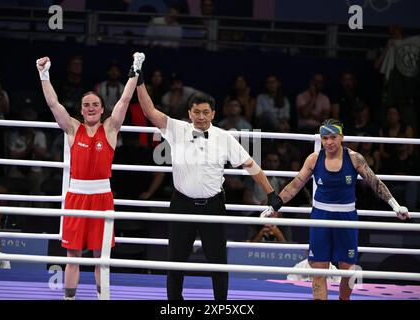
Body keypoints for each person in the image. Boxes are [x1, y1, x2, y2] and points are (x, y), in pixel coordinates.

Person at [135, 54, 283, 300]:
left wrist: (271, 193)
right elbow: (149, 111)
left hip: (214, 205)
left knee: (218, 261)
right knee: (176, 260)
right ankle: (175, 304)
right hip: (182, 204)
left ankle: (221, 305)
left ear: (213, 114)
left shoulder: (225, 137)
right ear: (189, 113)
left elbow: (250, 164)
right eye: (196, 112)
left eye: (205, 112)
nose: (201, 116)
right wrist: (139, 81)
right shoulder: (177, 128)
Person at [36, 51, 146, 300]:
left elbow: (125, 99)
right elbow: (54, 104)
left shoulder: (110, 128)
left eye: (95, 104)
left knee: (101, 256)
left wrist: (135, 69)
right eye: (86, 105)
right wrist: (44, 75)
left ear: (102, 109)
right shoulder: (73, 128)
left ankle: (102, 298)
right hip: (76, 196)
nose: (91, 108)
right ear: (82, 110)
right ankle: (69, 298)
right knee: (72, 254)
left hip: (102, 197)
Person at [272, 118, 410, 300]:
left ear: (341, 137)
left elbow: (374, 182)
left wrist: (395, 206)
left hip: (346, 217)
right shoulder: (314, 159)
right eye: (324, 138)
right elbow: (295, 184)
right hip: (320, 215)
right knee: (318, 270)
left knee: (349, 271)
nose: (328, 142)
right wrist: (275, 205)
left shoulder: (354, 158)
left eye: (332, 137)